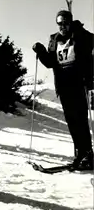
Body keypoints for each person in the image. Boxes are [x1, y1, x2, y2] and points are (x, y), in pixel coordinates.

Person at [32, 9, 94, 170]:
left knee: (80, 121)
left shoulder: (79, 36)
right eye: (59, 23)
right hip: (64, 86)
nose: (62, 27)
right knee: (72, 121)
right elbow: (50, 62)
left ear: (70, 22)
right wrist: (40, 50)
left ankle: (88, 153)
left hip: (78, 84)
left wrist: (77, 28)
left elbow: (90, 43)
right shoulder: (55, 39)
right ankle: (80, 153)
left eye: (65, 23)